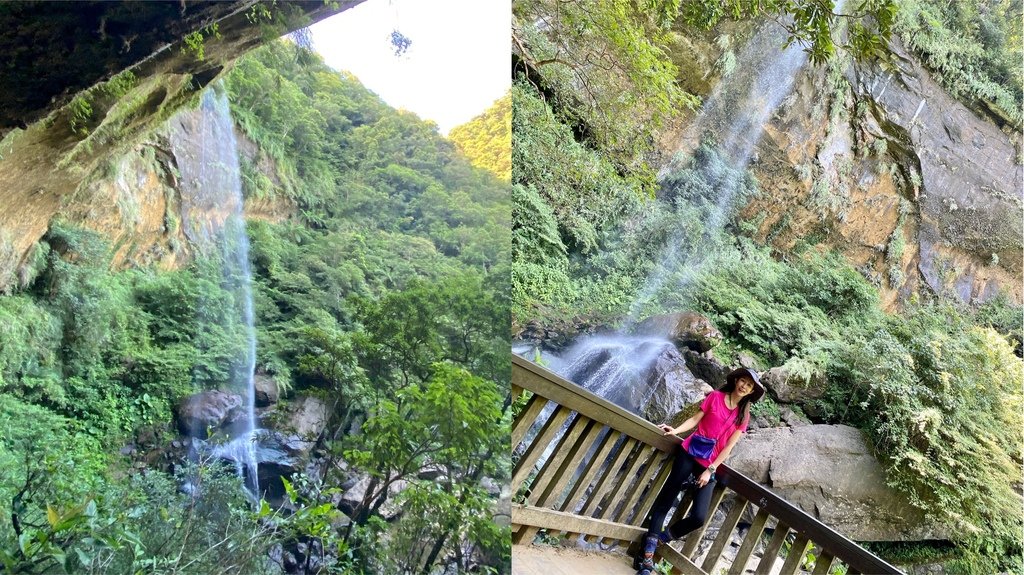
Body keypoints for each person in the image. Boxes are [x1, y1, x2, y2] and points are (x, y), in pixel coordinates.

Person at [635, 367, 765, 575]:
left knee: (698, 517)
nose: (744, 386)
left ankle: (658, 539)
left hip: (709, 466)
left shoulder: (743, 417)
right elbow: (696, 419)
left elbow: (728, 448)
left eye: (749, 385)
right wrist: (675, 430)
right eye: (743, 381)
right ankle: (647, 559)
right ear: (736, 381)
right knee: (665, 502)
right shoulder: (715, 397)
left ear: (750, 392)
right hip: (689, 453)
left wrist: (710, 470)